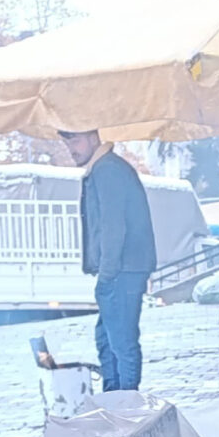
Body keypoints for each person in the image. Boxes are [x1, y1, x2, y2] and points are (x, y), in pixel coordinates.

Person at [65, 126, 156, 391]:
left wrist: (106, 273)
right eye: (68, 143)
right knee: (108, 341)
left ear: (94, 137)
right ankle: (116, 399)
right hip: (123, 268)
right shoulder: (105, 168)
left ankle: (126, 405)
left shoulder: (107, 170)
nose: (72, 149)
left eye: (77, 141)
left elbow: (112, 226)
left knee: (120, 343)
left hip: (122, 270)